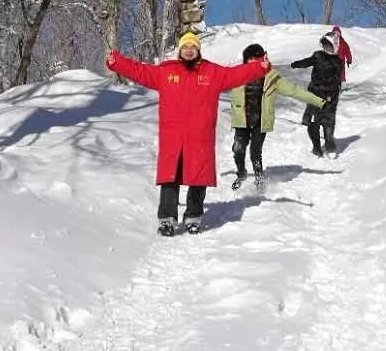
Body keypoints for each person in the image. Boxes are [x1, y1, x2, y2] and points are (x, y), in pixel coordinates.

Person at [106, 31, 269, 235]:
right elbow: (140, 71)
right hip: (173, 136)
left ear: (198, 50)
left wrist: (259, 66)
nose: (189, 50)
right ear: (180, 51)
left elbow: (236, 74)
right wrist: (117, 63)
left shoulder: (212, 72)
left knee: (198, 177)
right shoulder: (166, 72)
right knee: (169, 177)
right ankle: (166, 219)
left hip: (200, 136)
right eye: (185, 47)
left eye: (193, 47)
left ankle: (194, 217)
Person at [228, 43, 326, 190]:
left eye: (256, 59)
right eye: (250, 60)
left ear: (262, 60)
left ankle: (259, 180)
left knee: (255, 152)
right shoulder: (237, 75)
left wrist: (320, 102)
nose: (253, 63)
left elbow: (295, 91)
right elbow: (215, 82)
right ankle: (241, 172)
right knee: (238, 149)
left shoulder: (272, 77)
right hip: (242, 121)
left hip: (261, 122)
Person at [290, 32, 345, 158]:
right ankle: (316, 147)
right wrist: (296, 64)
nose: (327, 48)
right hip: (314, 94)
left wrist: (331, 94)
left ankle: (329, 142)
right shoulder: (318, 55)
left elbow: (336, 81)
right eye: (325, 45)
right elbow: (307, 61)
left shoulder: (339, 61)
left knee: (328, 121)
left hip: (331, 96)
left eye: (330, 46)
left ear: (335, 46)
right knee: (313, 121)